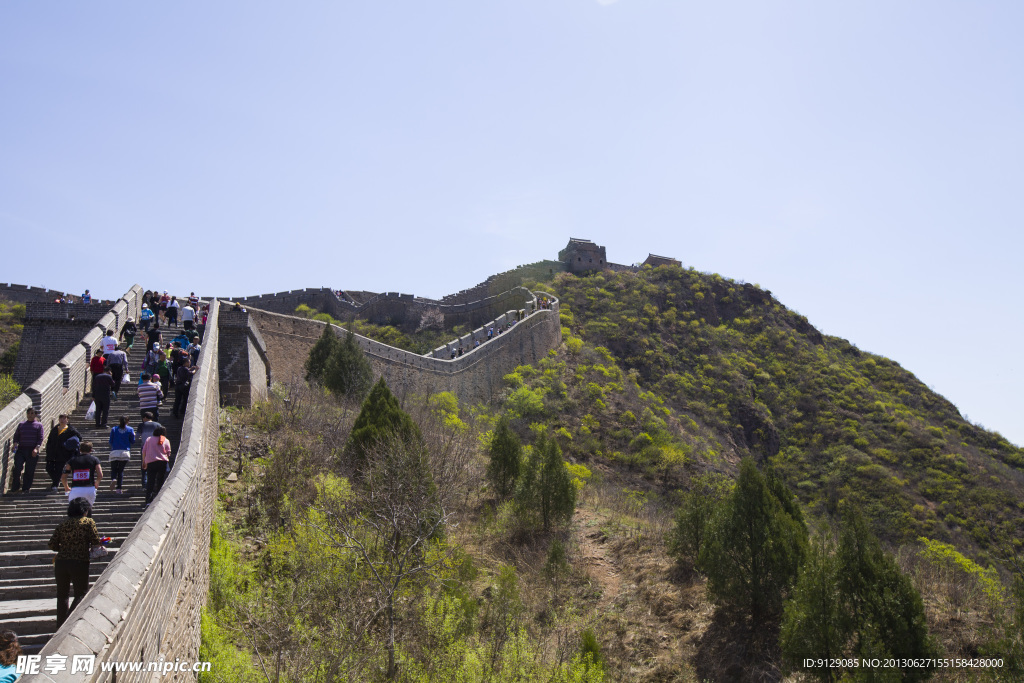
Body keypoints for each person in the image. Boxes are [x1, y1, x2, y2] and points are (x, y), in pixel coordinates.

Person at [48, 497, 102, 627]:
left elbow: (52, 544)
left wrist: (65, 547)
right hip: (79, 561)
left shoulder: (62, 525)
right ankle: (68, 622)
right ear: (85, 510)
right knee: (81, 594)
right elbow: (95, 540)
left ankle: (60, 625)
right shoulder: (88, 522)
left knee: (62, 596)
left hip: (61, 563)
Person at [11, 407, 45, 494]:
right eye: (29, 413)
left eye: (32, 413)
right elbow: (16, 436)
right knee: (17, 468)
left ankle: (26, 488)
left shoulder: (38, 425)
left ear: (35, 415)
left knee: (29, 470)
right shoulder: (21, 424)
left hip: (32, 450)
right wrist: (15, 444)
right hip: (21, 449)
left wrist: (36, 449)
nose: (30, 415)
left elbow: (40, 438)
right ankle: (15, 487)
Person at [45, 414, 81, 493]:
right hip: (52, 453)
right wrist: (48, 450)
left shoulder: (71, 430)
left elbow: (79, 438)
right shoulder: (54, 429)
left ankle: (54, 485)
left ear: (67, 420)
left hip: (63, 454)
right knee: (48, 468)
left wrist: (69, 446)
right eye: (61, 418)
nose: (62, 420)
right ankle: (56, 480)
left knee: (59, 469)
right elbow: (49, 440)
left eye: (64, 418)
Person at [62, 440, 102, 507]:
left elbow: (64, 476)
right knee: (88, 510)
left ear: (80, 449)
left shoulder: (72, 460)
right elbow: (100, 475)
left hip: (76, 489)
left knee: (74, 512)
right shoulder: (94, 459)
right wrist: (96, 483)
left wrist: (66, 487)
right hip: (90, 488)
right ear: (91, 450)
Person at [142, 426, 172, 505]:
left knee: (150, 481)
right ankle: (159, 498)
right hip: (162, 462)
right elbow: (168, 452)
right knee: (160, 480)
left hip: (151, 462)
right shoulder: (165, 440)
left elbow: (144, 451)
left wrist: (144, 461)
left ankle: (148, 500)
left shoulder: (149, 439)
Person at [108, 417, 135, 495]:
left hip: (115, 451)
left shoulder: (114, 429)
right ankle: (119, 488)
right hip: (125, 452)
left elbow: (110, 441)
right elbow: (132, 441)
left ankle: (113, 479)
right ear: (128, 421)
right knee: (121, 470)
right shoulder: (130, 429)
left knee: (114, 469)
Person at [136, 412, 162, 489]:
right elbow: (162, 437)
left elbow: (137, 437)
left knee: (144, 466)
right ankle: (154, 484)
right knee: (155, 466)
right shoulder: (158, 425)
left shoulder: (142, 425)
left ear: (145, 418)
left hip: (145, 448)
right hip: (155, 448)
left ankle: (145, 485)